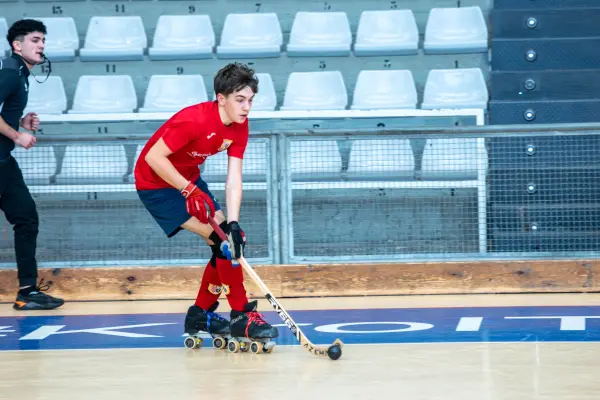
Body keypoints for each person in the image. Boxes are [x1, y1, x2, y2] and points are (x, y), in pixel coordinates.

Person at [134, 62, 278, 343]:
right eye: (240, 100)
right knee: (221, 242)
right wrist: (187, 190)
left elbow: (234, 176)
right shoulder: (195, 120)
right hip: (156, 184)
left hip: (188, 180)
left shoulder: (240, 125)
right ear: (220, 99)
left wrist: (234, 223)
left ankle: (201, 314)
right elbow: (153, 157)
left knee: (231, 239)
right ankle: (241, 316)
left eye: (250, 100)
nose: (246, 107)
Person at [0, 19, 64, 310]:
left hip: (4, 163)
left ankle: (27, 291)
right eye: (35, 40)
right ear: (17, 45)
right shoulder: (11, 73)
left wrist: (19, 122)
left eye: (43, 41)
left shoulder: (19, 74)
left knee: (26, 219)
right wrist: (17, 134)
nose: (41, 46)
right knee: (26, 220)